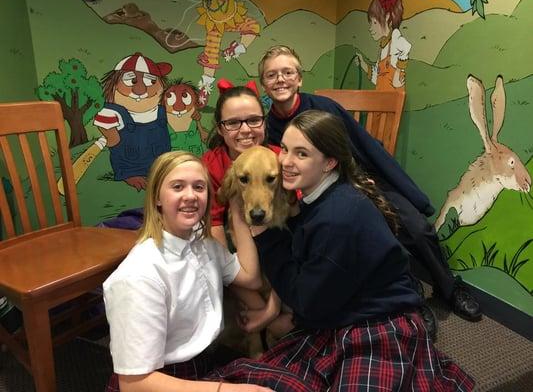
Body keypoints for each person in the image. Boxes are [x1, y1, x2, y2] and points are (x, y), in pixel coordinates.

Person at [209, 110, 475, 391]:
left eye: (301, 154)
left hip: (379, 326)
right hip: (341, 311)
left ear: (329, 162)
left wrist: (264, 238)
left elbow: (305, 300)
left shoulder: (337, 216)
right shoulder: (318, 197)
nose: (284, 161)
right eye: (285, 149)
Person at [257, 45, 482, 333]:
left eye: (287, 72)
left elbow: (364, 146)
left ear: (299, 78)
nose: (280, 80)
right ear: (264, 83)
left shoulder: (325, 107)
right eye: (272, 75)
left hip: (361, 177)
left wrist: (392, 185)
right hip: (317, 196)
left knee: (416, 227)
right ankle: (409, 299)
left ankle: (448, 287)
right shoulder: (267, 128)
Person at [103, 151, 273, 392]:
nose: (191, 196)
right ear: (157, 198)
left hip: (205, 366)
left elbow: (250, 278)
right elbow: (134, 384)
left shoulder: (204, 245)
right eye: (178, 187)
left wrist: (236, 209)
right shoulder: (138, 275)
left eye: (199, 187)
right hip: (163, 381)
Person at [201, 78, 289, 343]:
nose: (245, 130)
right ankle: (265, 330)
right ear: (221, 128)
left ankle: (268, 322)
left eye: (253, 120)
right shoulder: (211, 166)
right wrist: (265, 311)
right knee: (242, 279)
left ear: (264, 121)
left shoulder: (281, 159)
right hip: (230, 247)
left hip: (276, 246)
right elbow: (217, 242)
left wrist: (271, 308)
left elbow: (296, 242)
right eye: (233, 123)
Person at [94, 52, 171, 191]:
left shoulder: (161, 110)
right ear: (114, 84)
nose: (140, 89)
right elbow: (106, 127)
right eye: (132, 80)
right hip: (130, 167)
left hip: (160, 166)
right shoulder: (115, 112)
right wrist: (112, 136)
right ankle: (128, 174)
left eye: (150, 81)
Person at [355, 0, 410, 91]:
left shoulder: (395, 37)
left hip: (392, 100)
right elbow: (377, 78)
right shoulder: (383, 47)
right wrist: (363, 64)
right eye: (370, 23)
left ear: (387, 17)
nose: (370, 28)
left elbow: (406, 47)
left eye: (374, 22)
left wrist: (397, 75)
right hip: (381, 100)